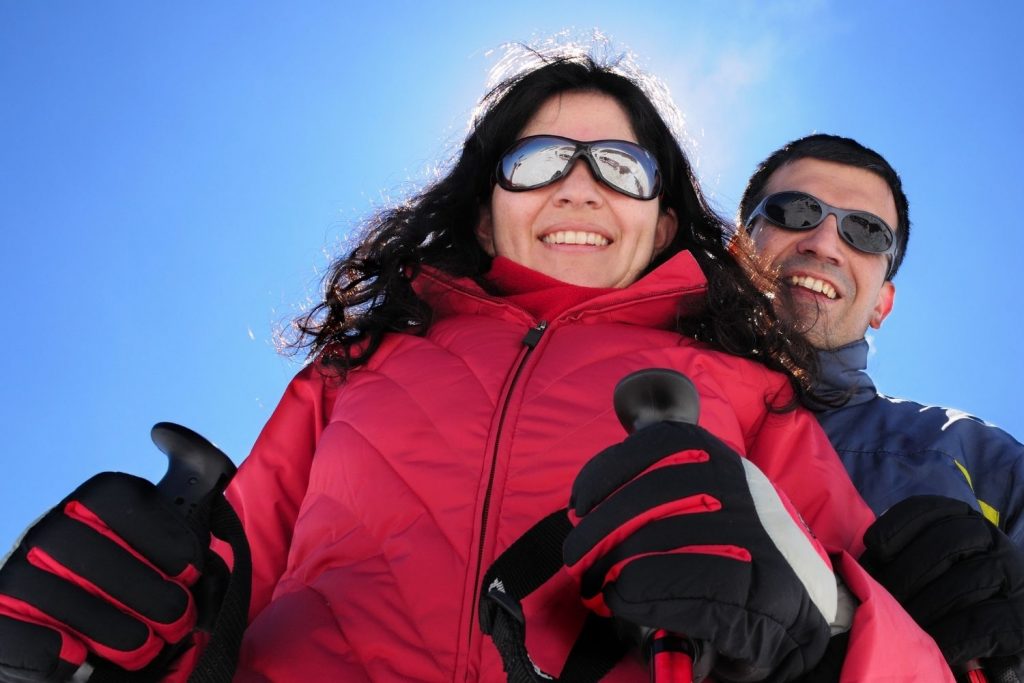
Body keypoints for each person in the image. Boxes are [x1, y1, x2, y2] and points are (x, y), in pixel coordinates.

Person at [0, 51, 952, 683]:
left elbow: (898, 648)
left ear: (662, 223)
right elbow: (226, 596)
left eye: (622, 166)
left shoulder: (754, 397)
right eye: (540, 159)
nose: (580, 182)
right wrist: (123, 639)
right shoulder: (356, 370)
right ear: (486, 203)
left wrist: (819, 639)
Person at [738, 133, 1024, 677]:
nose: (823, 242)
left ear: (882, 304)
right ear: (737, 249)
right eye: (794, 211)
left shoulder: (969, 453)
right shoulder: (625, 399)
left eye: (866, 232)